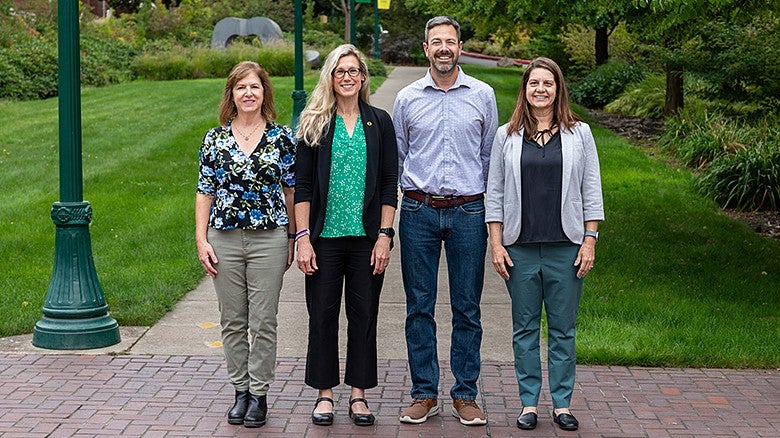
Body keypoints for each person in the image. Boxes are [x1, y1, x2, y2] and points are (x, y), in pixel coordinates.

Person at [485, 56, 604, 431]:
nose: (541, 89)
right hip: (519, 247)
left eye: (547, 83)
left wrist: (590, 240)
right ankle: (528, 403)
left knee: (563, 329)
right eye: (534, 83)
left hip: (565, 248)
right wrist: (496, 243)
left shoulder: (579, 133)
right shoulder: (506, 135)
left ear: (558, 89)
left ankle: (562, 403)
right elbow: (495, 193)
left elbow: (592, 190)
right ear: (525, 89)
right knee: (524, 329)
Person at [393, 16, 498, 426]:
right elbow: (399, 158)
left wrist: (491, 212)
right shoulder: (406, 98)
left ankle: (465, 394)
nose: (443, 48)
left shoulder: (483, 95)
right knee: (419, 307)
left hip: (469, 210)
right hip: (418, 211)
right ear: (425, 49)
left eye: (449, 42)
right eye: (435, 42)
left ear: (460, 47)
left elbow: (489, 156)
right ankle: (424, 393)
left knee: (467, 308)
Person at [294, 44, 398, 427]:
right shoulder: (315, 123)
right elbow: (303, 187)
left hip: (367, 240)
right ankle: (324, 395)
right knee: (321, 315)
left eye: (354, 71)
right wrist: (302, 237)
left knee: (364, 315)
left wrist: (385, 235)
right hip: (324, 239)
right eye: (341, 71)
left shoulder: (380, 121)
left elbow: (390, 183)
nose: (348, 77)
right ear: (330, 78)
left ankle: (358, 394)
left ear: (364, 77)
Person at [196, 61, 296, 428]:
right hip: (224, 237)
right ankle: (240, 390)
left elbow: (291, 190)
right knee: (233, 320)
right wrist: (201, 238)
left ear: (264, 92)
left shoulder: (282, 137)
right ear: (232, 95)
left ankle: (259, 394)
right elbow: (205, 191)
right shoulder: (215, 138)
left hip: (268, 237)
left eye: (255, 86)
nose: (249, 93)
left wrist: (292, 238)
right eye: (241, 88)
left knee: (264, 320)